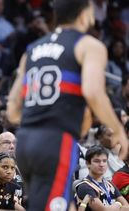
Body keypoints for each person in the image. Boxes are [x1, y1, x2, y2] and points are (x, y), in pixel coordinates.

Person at [7, 0, 128, 210]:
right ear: (85, 15)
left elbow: (13, 110)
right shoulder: (88, 45)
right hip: (55, 141)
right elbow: (93, 92)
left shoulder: (32, 50)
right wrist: (118, 130)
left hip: (25, 141)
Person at [75, 145, 129, 210]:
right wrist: (118, 204)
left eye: (104, 161)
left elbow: (127, 206)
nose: (101, 164)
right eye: (97, 161)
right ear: (88, 163)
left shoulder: (109, 184)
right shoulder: (85, 186)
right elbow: (104, 210)